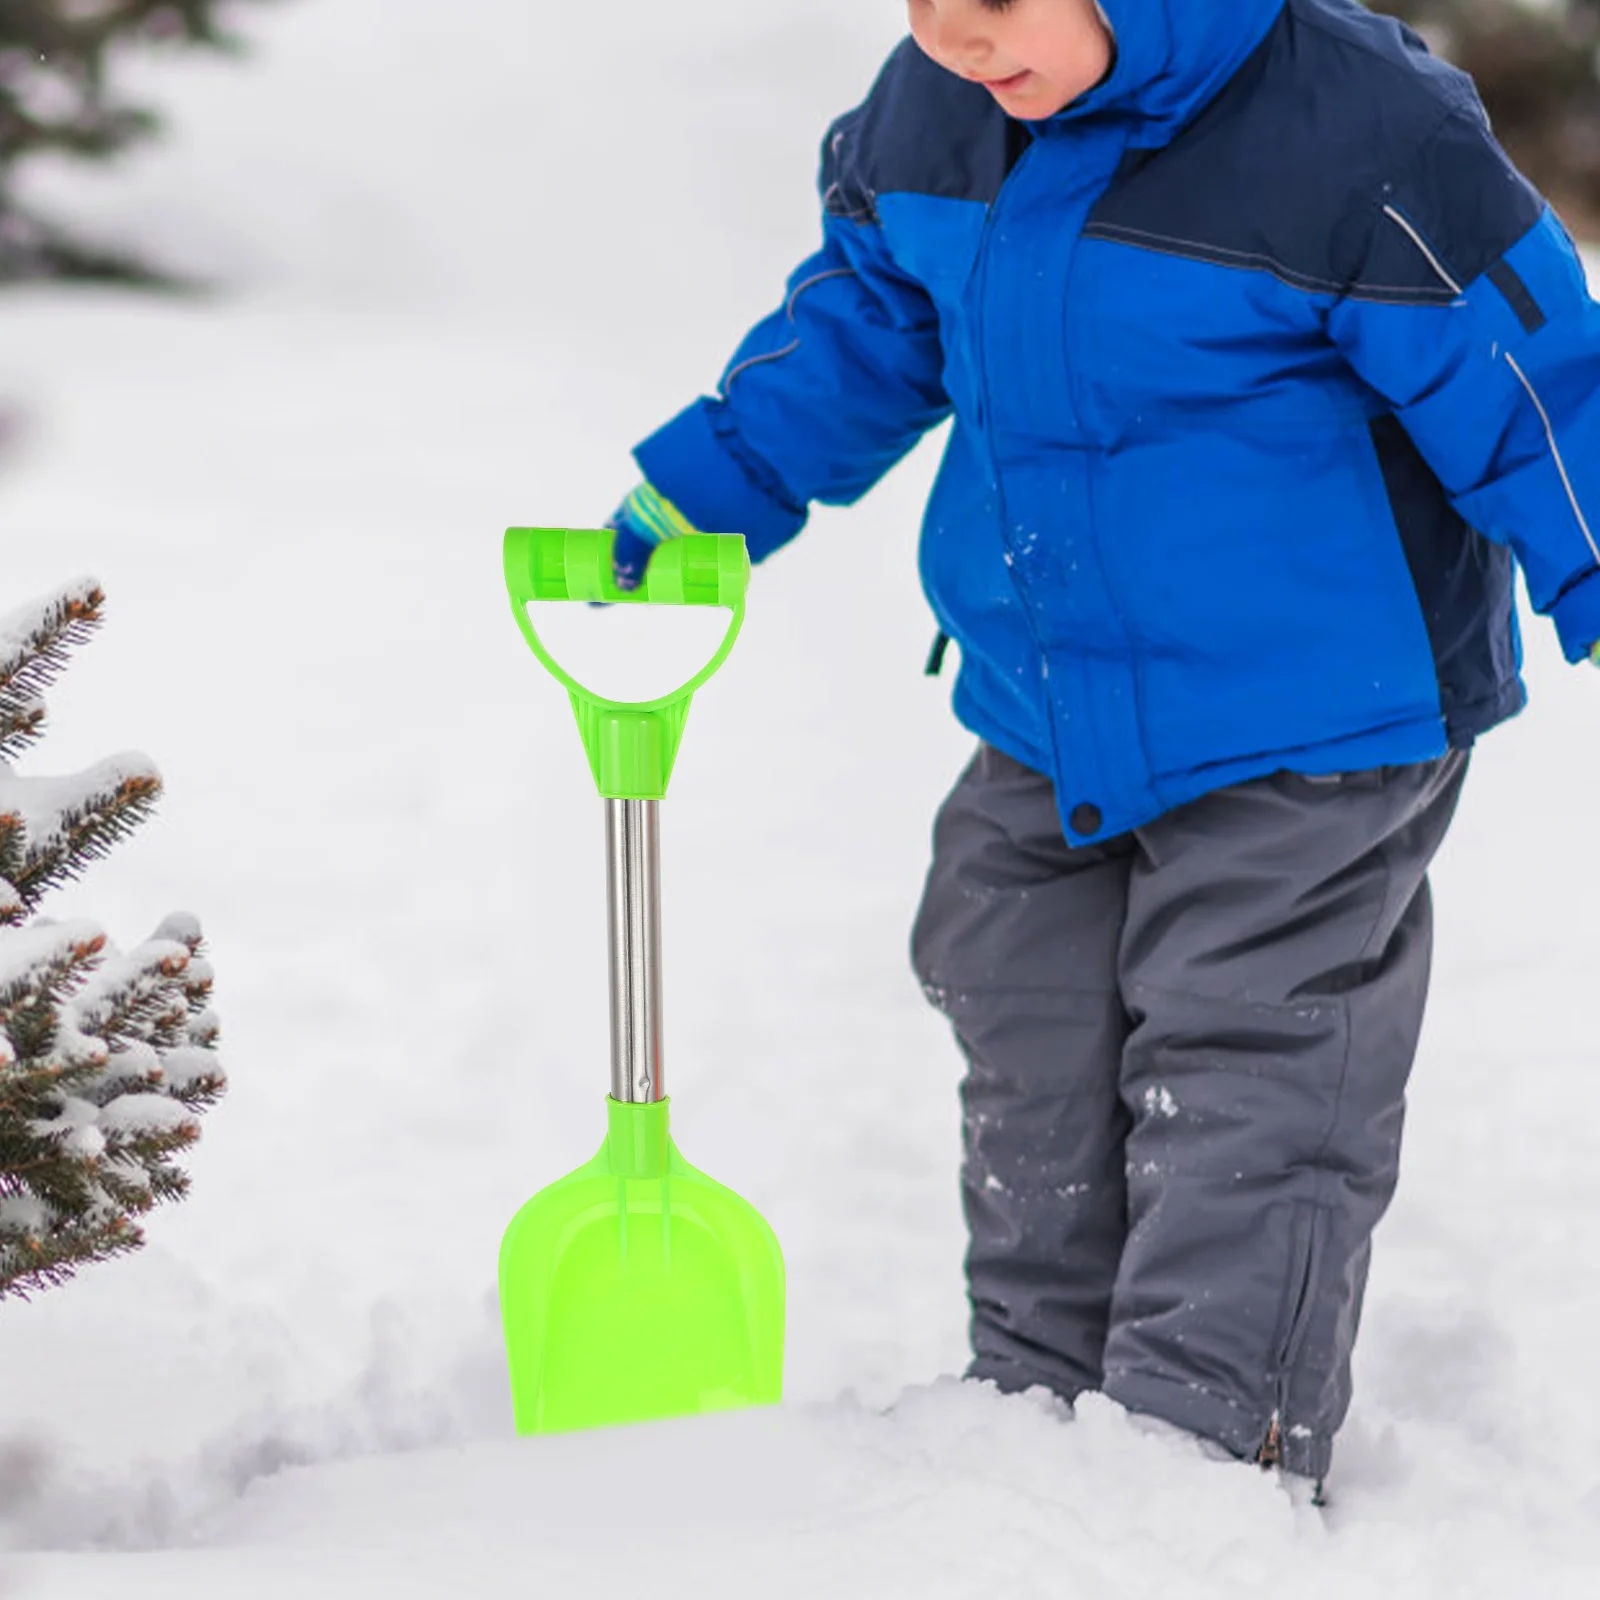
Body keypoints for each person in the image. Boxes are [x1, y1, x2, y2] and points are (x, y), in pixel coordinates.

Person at [598, 0, 1600, 1492]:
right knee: (1022, 1015)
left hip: (1312, 725)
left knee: (1251, 1065)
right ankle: (1039, 1409)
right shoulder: (938, 106)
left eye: (998, 1)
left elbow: (1538, 384)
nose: (954, 33)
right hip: (1047, 704)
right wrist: (713, 487)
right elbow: (864, 323)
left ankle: (1203, 1459)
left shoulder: (1364, 130)